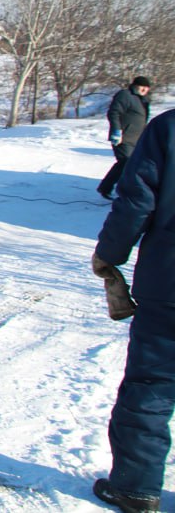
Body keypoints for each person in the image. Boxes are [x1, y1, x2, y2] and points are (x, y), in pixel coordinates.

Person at [91, 107, 175, 512]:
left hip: (170, 284)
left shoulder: (169, 128)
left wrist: (109, 254)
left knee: (151, 386)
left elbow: (135, 200)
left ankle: (136, 487)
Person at [99, 77, 153, 200]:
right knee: (125, 162)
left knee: (133, 164)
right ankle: (106, 188)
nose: (144, 89)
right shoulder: (125, 95)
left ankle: (124, 189)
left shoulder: (144, 100)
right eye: (141, 86)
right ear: (134, 85)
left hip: (137, 138)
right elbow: (114, 112)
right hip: (123, 137)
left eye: (146, 87)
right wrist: (116, 130)